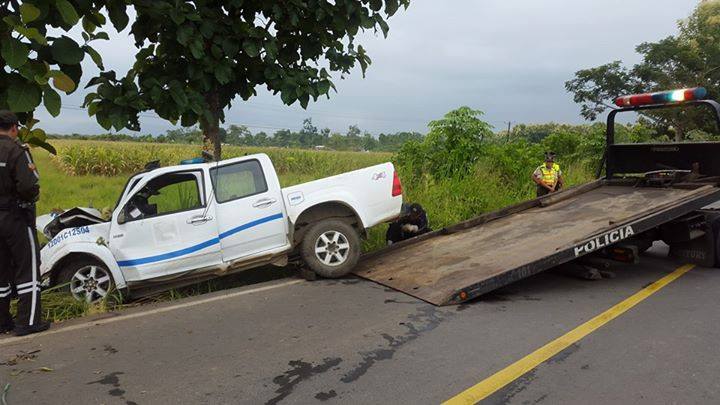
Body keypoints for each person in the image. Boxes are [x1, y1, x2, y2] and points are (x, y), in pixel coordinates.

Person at [0, 111, 50, 336]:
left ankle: (2, 322)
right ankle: (27, 322)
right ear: (13, 128)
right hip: (16, 217)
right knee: (27, 269)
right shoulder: (17, 151)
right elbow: (28, 186)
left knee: (1, 272)